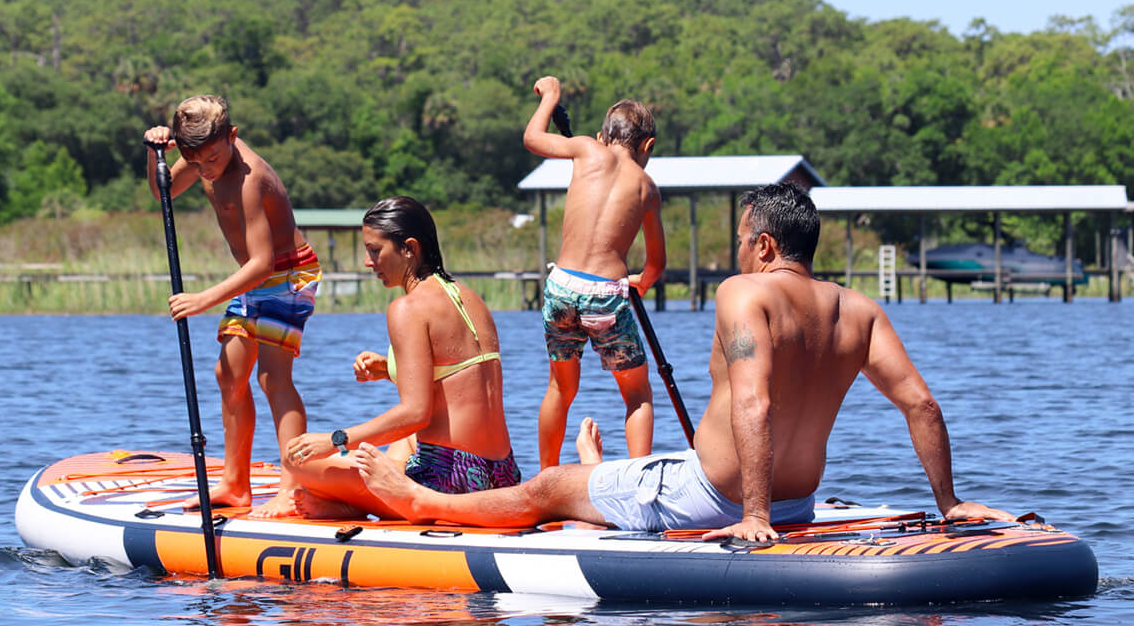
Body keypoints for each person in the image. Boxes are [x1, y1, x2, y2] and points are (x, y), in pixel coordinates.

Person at [353, 182, 1013, 540]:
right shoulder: (860, 310)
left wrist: (751, 515)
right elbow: (921, 403)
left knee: (546, 489)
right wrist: (948, 502)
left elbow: (755, 402)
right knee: (623, 474)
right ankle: (602, 478)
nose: (734, 254)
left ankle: (417, 500)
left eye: (738, 241)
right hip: (799, 504)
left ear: (762, 243)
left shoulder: (743, 293)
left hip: (715, 498)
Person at [282, 196, 520, 519]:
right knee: (407, 441)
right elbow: (459, 377)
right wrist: (388, 367)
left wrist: (335, 440)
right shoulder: (471, 298)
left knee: (298, 461)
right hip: (503, 475)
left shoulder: (406, 309)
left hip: (451, 483)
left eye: (375, 250)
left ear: (409, 248)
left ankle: (355, 506)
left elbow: (416, 413)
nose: (368, 262)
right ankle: (360, 501)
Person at [143, 94, 321, 518]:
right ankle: (235, 485)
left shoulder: (249, 176)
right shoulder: (202, 153)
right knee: (229, 376)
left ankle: (292, 490)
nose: (205, 169)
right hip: (254, 279)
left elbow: (263, 263)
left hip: (288, 274)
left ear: (232, 136)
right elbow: (162, 191)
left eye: (211, 159)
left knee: (272, 379)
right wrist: (155, 154)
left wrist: (204, 299)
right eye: (195, 161)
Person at [524, 76, 666, 469]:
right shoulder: (647, 188)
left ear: (603, 136)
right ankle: (639, 482)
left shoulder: (585, 149)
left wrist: (550, 98)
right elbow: (656, 265)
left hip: (562, 287)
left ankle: (546, 480)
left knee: (560, 389)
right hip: (606, 295)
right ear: (647, 146)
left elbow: (533, 138)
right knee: (637, 395)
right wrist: (642, 281)